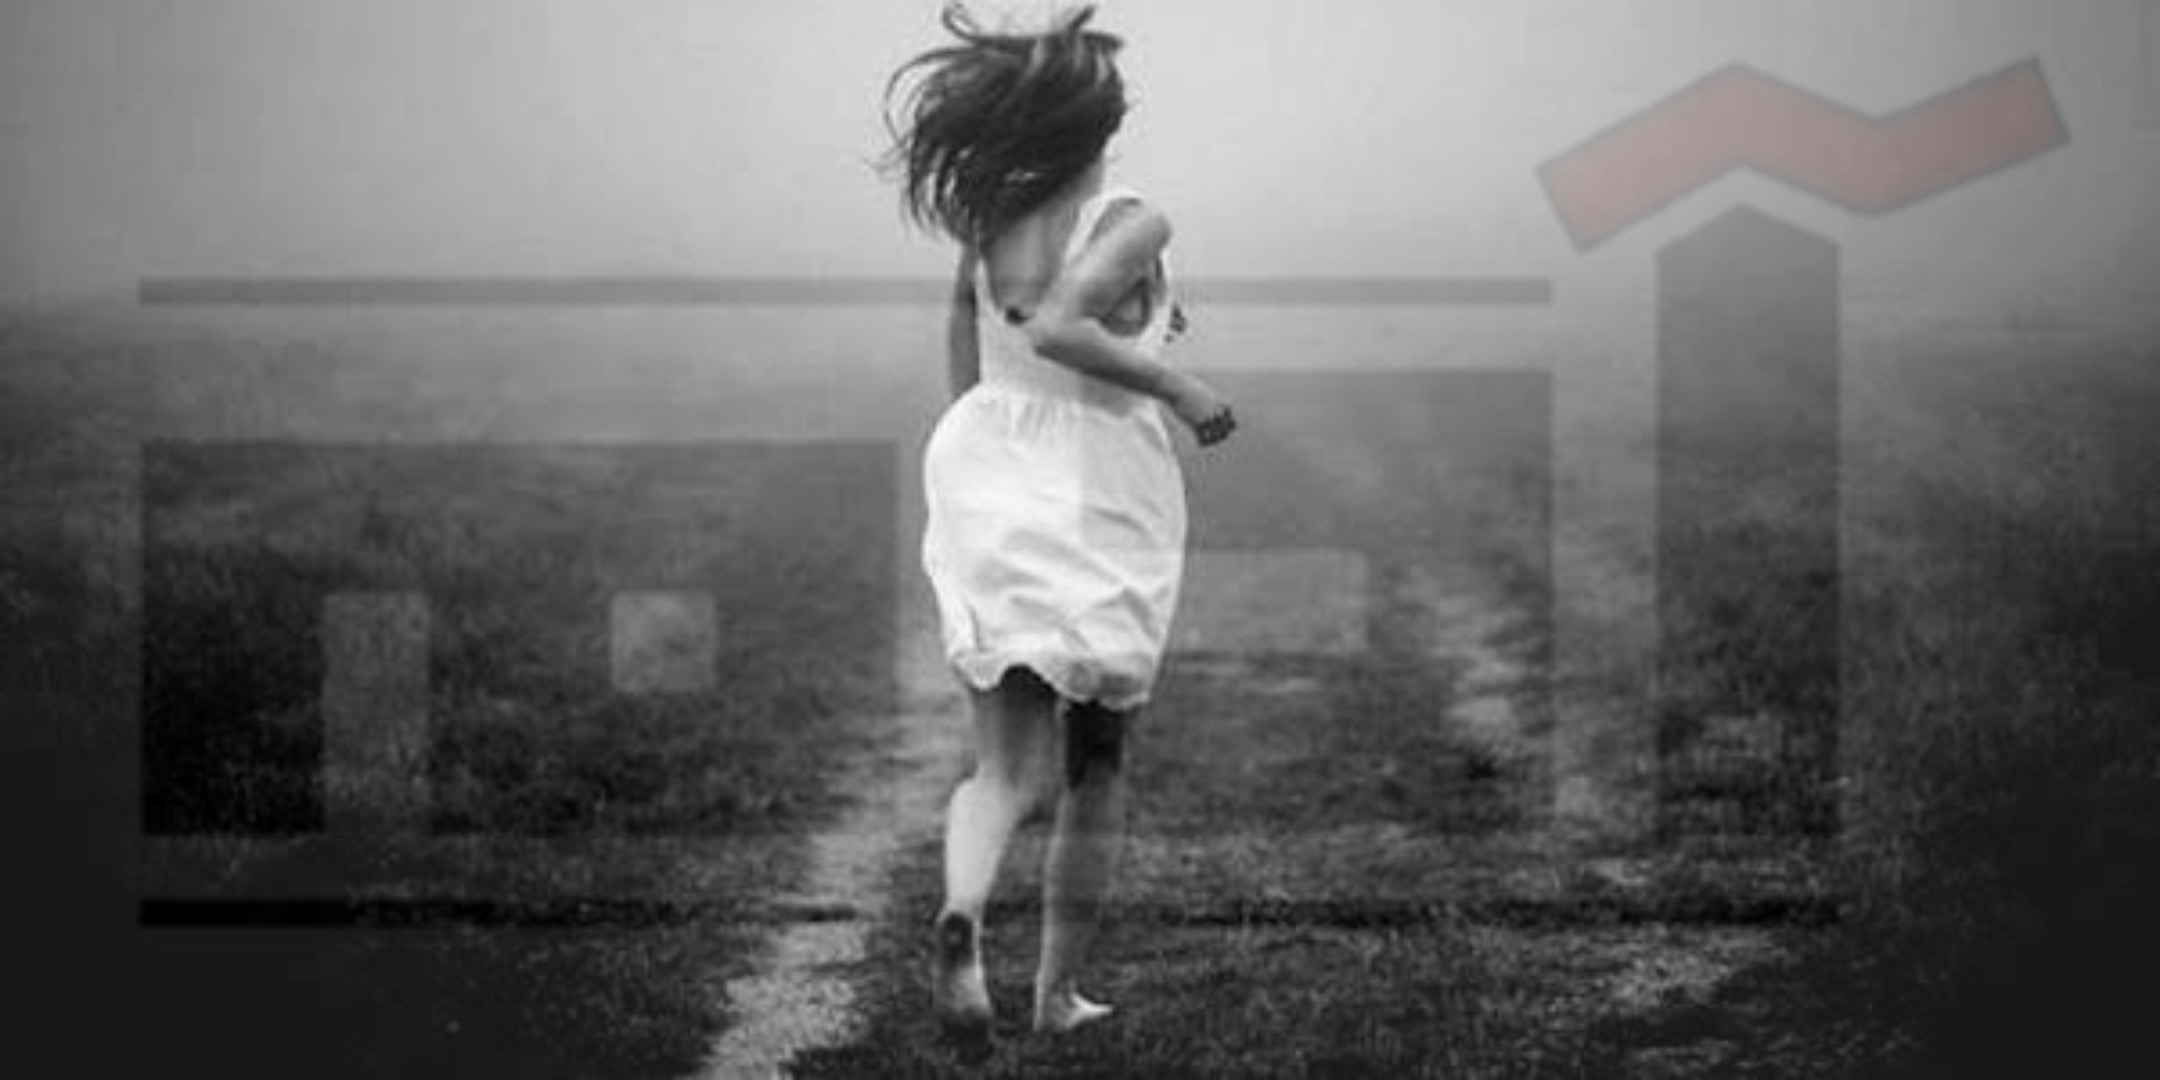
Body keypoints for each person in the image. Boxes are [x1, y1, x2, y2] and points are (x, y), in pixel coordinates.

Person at [882, 2, 1237, 1041]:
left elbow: (974, 358)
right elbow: (1062, 327)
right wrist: (1182, 387)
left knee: (1000, 767)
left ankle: (961, 911)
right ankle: (1055, 993)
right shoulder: (1134, 219)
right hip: (1099, 488)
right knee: (1097, 758)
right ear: (1107, 123)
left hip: (987, 470)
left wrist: (983, 469)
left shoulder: (987, 230)